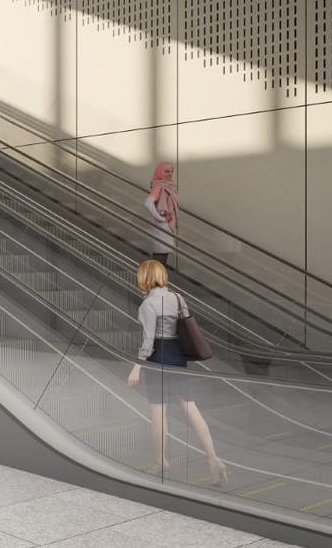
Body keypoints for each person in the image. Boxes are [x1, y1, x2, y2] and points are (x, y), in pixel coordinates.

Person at [127, 260, 226, 485]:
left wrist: (136, 367)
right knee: (191, 407)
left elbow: (148, 341)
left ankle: (161, 461)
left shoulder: (148, 304)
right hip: (178, 356)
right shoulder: (178, 298)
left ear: (144, 277)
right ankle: (213, 459)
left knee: (158, 411)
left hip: (159, 357)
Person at [145, 162, 178, 266]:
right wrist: (161, 218)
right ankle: (154, 276)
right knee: (161, 253)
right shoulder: (159, 186)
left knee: (163, 253)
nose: (170, 174)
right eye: (166, 171)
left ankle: (156, 275)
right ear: (159, 172)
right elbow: (148, 203)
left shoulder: (166, 185)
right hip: (161, 225)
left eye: (171, 171)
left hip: (165, 225)